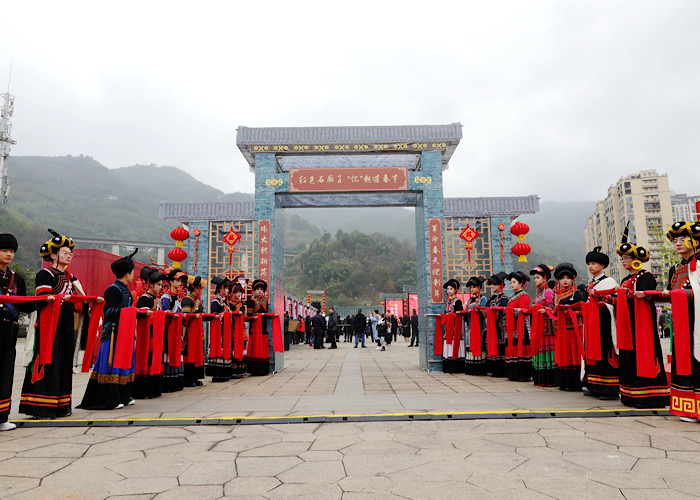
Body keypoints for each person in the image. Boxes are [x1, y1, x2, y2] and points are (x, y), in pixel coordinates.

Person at [20, 230, 81, 418]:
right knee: (49, 364)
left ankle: (62, 405)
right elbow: (40, 301)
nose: (69, 255)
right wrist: (53, 298)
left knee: (64, 364)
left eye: (70, 253)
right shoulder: (45, 274)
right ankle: (42, 406)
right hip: (49, 326)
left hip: (66, 325)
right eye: (64, 252)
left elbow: (78, 303)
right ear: (53, 255)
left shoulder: (71, 277)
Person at [78, 250, 139, 410]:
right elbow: (109, 312)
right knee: (112, 365)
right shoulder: (113, 289)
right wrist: (129, 312)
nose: (133, 276)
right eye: (132, 273)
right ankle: (109, 399)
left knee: (125, 365)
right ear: (127, 274)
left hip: (124, 333)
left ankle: (123, 396)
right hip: (113, 334)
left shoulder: (125, 290)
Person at [615, 233, 669, 408]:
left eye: (626, 258)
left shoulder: (646, 276)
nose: (623, 261)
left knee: (644, 354)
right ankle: (630, 394)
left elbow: (647, 295)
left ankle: (649, 396)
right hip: (627, 324)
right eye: (622, 258)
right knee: (628, 356)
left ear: (636, 259)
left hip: (642, 323)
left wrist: (635, 294)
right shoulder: (624, 280)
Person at [663, 221, 700, 421]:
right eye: (674, 240)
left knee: (697, 360)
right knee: (683, 362)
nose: (677, 243)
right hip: (681, 321)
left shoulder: (699, 263)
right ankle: (687, 407)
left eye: (681, 239)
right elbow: (673, 293)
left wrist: (680, 294)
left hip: (697, 321)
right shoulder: (675, 269)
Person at [0, 234, 35, 430]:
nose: (9, 254)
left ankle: (2, 418)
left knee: (5, 375)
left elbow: (26, 306)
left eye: (12, 251)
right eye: (5, 250)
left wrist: (44, 301)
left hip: (9, 334)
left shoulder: (16, 279)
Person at [583, 246, 621, 401]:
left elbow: (616, 302)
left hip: (605, 323)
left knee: (606, 354)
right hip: (593, 323)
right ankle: (594, 385)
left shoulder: (609, 282)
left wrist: (600, 299)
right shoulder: (590, 284)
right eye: (589, 263)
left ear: (602, 266)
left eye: (594, 263)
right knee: (593, 354)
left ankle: (609, 388)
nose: (591, 266)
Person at [132, 266, 167, 399]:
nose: (160, 287)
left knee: (156, 362)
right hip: (148, 336)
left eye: (161, 285)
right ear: (150, 284)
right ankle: (144, 391)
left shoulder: (157, 299)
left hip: (157, 337)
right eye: (158, 285)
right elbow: (141, 317)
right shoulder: (144, 299)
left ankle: (155, 389)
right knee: (147, 362)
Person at [553, 262, 586, 392]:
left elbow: (584, 310)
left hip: (575, 329)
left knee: (575, 354)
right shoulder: (558, 295)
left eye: (568, 278)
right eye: (562, 278)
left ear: (573, 279)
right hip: (561, 329)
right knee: (564, 354)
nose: (565, 281)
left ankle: (576, 383)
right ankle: (565, 382)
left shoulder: (576, 293)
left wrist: (572, 312)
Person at [529, 264, 556, 387]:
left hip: (548, 328)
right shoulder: (539, 293)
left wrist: (545, 309)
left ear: (545, 278)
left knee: (548, 349)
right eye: (535, 278)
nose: (535, 280)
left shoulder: (549, 292)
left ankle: (549, 378)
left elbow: (553, 308)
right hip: (539, 326)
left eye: (538, 277)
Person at [161, 268, 186, 393]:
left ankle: (177, 382)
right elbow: (164, 313)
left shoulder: (177, 296)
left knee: (177, 353)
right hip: (169, 330)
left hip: (177, 330)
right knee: (168, 354)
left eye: (180, 280)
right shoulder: (166, 296)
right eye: (178, 280)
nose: (180, 283)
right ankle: (169, 384)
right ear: (170, 281)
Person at [505, 271, 532, 382]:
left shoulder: (524, 296)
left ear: (521, 283)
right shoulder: (513, 297)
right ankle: (514, 374)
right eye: (511, 282)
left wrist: (511, 311)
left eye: (514, 282)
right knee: (513, 347)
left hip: (521, 327)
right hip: (512, 326)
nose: (512, 284)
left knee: (521, 348)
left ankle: (523, 374)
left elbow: (524, 311)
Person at [181, 276, 206, 387]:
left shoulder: (198, 301)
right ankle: (188, 379)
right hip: (190, 333)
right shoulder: (187, 300)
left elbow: (203, 314)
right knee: (190, 354)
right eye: (199, 288)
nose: (200, 291)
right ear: (195, 288)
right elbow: (185, 318)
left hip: (199, 331)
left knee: (198, 354)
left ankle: (196, 377)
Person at [206, 277, 232, 382]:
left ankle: (224, 374)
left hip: (225, 330)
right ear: (221, 289)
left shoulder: (225, 302)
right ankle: (217, 375)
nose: (227, 291)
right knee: (218, 349)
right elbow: (214, 315)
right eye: (226, 288)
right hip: (218, 330)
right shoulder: (215, 302)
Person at [485, 272, 509, 377]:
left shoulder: (505, 299)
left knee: (501, 347)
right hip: (492, 326)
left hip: (501, 326)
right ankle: (494, 369)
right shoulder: (491, 299)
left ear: (500, 285)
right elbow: (486, 309)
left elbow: (505, 311)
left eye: (494, 284)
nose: (493, 286)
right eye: (492, 285)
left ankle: (501, 371)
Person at [247, 279, 270, 375]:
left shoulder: (265, 301)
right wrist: (254, 317)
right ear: (254, 290)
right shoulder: (251, 301)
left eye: (261, 289)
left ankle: (263, 370)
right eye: (257, 289)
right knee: (255, 347)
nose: (260, 291)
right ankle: (254, 370)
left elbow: (267, 313)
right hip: (255, 328)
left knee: (263, 348)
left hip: (263, 328)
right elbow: (248, 316)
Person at [464, 277, 487, 374]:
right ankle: (471, 368)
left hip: (480, 325)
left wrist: (477, 310)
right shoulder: (469, 300)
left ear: (479, 287)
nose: (472, 289)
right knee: (470, 343)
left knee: (479, 344)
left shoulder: (483, 298)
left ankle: (480, 369)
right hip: (471, 325)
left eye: (474, 287)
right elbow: (466, 310)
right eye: (471, 287)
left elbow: (485, 311)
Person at [442, 278, 464, 373]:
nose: (449, 291)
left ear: (455, 290)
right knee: (448, 345)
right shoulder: (448, 302)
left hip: (456, 327)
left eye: (451, 289)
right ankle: (448, 366)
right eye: (448, 289)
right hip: (448, 327)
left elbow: (460, 315)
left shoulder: (457, 301)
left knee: (455, 345)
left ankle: (456, 367)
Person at [228, 282, 247, 378]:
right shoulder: (229, 304)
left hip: (241, 329)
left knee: (242, 349)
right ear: (232, 293)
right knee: (234, 348)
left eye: (240, 292)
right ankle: (234, 370)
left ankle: (241, 370)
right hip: (233, 329)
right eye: (237, 292)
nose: (239, 294)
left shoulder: (242, 304)